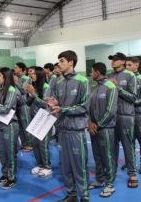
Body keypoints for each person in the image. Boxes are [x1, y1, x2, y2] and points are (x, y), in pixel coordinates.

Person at [48, 50, 90, 202]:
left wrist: (63, 109)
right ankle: (71, 195)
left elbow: (84, 106)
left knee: (79, 164)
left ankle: (84, 195)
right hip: (62, 129)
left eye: (62, 61)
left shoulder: (82, 81)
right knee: (65, 166)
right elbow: (58, 103)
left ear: (71, 62)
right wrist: (54, 104)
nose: (59, 64)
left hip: (76, 130)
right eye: (58, 61)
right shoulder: (58, 82)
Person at [107, 52, 138, 188]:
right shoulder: (108, 76)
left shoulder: (130, 75)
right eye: (112, 59)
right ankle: (111, 173)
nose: (113, 61)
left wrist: (118, 88)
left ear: (123, 61)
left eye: (116, 59)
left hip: (125, 116)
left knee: (128, 145)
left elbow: (133, 97)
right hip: (111, 117)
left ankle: (132, 173)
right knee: (112, 147)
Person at [88, 62, 118, 198]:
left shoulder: (110, 87)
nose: (90, 74)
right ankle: (100, 180)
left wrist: (98, 125)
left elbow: (110, 111)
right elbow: (89, 108)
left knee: (107, 156)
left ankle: (110, 184)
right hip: (93, 128)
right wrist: (90, 122)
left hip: (105, 128)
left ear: (98, 72)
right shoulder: (95, 87)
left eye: (92, 71)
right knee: (97, 155)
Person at [27, 66, 53, 178]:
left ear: (39, 75)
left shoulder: (47, 87)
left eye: (33, 74)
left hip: (45, 118)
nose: (30, 75)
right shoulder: (33, 86)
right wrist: (30, 94)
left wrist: (34, 94)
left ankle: (47, 167)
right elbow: (27, 103)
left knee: (43, 144)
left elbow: (46, 105)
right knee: (35, 143)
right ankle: (40, 164)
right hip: (34, 118)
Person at [126, 56, 141, 174]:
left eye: (130, 65)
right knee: (129, 140)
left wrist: (132, 101)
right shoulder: (126, 80)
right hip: (127, 115)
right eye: (126, 65)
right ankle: (130, 162)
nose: (127, 67)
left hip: (139, 114)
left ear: (137, 65)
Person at [13, 62, 32, 151]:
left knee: (26, 125)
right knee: (20, 126)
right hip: (17, 105)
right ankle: (24, 143)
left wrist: (16, 83)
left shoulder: (26, 78)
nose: (14, 69)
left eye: (16, 67)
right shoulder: (16, 78)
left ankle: (30, 144)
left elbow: (23, 91)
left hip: (24, 105)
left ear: (21, 69)